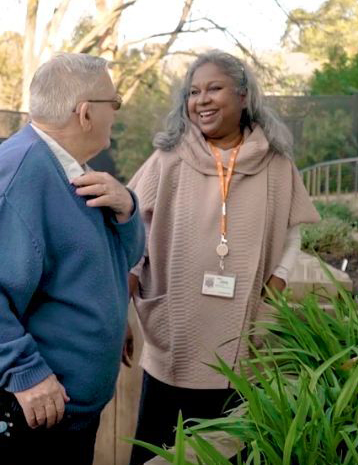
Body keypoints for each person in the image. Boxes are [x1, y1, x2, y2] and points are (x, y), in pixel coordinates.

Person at [0, 52, 145, 465]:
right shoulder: (24, 173)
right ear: (86, 113)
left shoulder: (70, 170)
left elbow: (118, 258)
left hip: (60, 412)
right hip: (26, 410)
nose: (117, 116)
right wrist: (24, 373)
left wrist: (126, 209)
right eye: (116, 104)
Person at [125, 50, 320, 464]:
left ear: (244, 95)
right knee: (159, 449)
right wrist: (118, 309)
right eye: (194, 92)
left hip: (244, 336)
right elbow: (131, 236)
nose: (202, 100)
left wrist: (277, 283)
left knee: (225, 450)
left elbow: (293, 234)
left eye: (214, 88)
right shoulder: (169, 158)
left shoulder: (276, 163)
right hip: (175, 336)